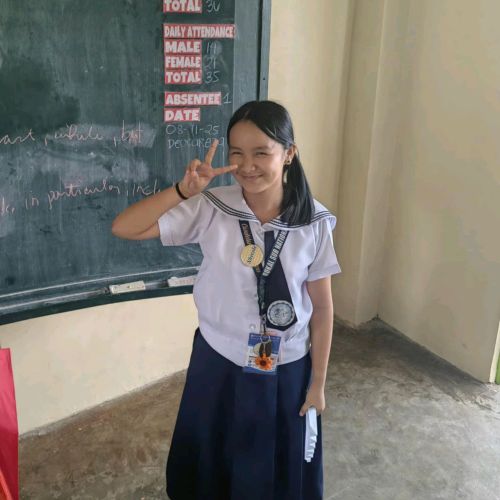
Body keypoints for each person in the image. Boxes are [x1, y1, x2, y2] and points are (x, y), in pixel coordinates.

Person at [112, 100, 341, 500]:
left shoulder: (313, 223)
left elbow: (321, 308)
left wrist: (317, 383)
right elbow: (124, 227)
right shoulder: (212, 206)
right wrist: (182, 191)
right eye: (237, 153)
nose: (247, 166)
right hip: (219, 360)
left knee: (277, 471)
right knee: (212, 465)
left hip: (288, 366)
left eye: (261, 153)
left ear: (289, 153)